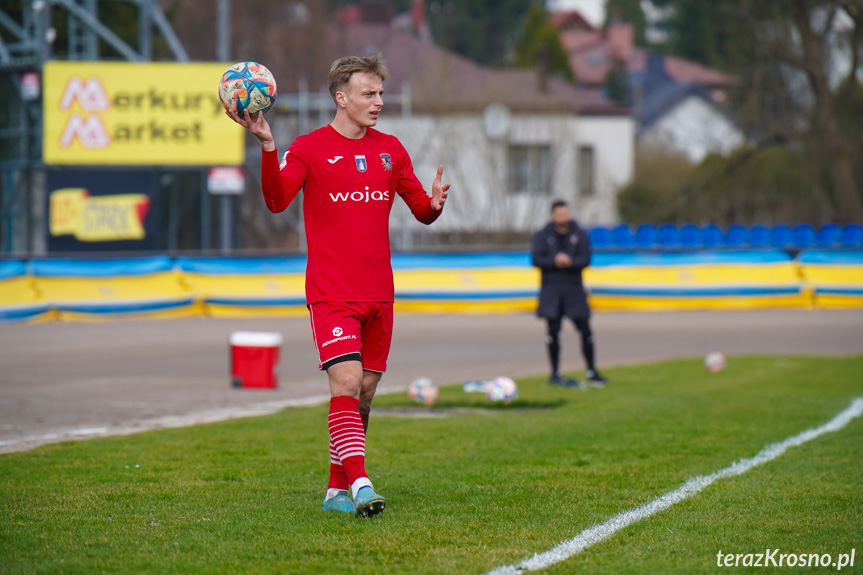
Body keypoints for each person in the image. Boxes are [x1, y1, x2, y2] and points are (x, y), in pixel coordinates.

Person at [225, 53, 449, 518]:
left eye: (381, 93)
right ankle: (362, 482)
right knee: (345, 381)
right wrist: (268, 146)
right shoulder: (308, 148)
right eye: (369, 94)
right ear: (340, 98)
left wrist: (436, 202)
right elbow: (275, 200)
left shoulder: (392, 150)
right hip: (331, 292)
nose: (379, 102)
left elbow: (421, 212)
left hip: (379, 293)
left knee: (363, 393)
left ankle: (334, 491)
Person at [531, 199, 606, 388]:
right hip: (552, 290)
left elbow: (586, 259)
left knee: (586, 331)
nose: (563, 217)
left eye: (566, 213)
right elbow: (536, 259)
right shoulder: (542, 235)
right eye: (559, 214)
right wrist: (555, 260)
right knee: (553, 333)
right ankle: (555, 373)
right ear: (552, 215)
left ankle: (592, 371)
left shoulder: (579, 234)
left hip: (574, 290)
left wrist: (570, 261)